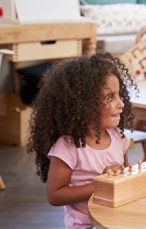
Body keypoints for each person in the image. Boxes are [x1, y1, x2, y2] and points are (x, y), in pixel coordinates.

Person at [27, 53, 137, 229]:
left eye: (119, 94)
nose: (121, 103)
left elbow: (123, 178)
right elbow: (55, 196)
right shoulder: (67, 148)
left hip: (114, 219)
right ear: (84, 104)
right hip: (85, 225)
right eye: (110, 97)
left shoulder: (118, 137)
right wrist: (100, 184)